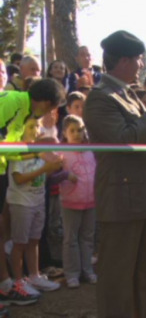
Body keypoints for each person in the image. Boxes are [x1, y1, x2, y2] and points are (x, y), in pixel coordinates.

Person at [83, 30, 146, 318]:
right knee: (117, 274)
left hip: (142, 194)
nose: (141, 64)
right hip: (122, 197)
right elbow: (126, 140)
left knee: (141, 270)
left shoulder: (126, 93)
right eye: (138, 59)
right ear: (123, 60)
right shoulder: (100, 98)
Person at [7, 117, 62, 295]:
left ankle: (34, 276)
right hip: (22, 203)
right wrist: (45, 169)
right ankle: (18, 281)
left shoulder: (39, 150)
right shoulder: (17, 152)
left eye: (37, 126)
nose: (36, 130)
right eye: (31, 126)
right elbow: (19, 178)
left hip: (38, 201)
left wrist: (55, 166)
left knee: (34, 240)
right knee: (20, 243)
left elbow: (43, 176)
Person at [57, 115, 97, 289]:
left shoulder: (91, 151)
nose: (77, 134)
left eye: (80, 130)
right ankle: (72, 273)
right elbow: (52, 176)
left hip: (91, 202)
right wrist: (66, 175)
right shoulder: (61, 152)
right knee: (71, 238)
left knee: (87, 237)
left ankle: (87, 270)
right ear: (65, 133)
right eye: (72, 130)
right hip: (70, 202)